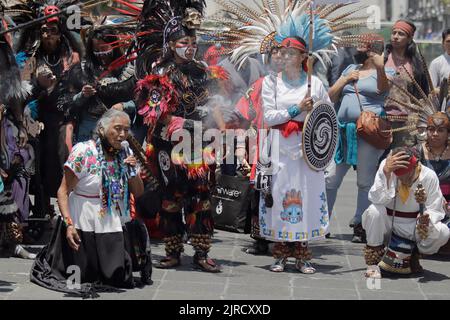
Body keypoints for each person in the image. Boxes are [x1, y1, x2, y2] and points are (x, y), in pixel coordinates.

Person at [134, 0, 222, 272]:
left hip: (198, 144)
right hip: (168, 145)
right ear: (171, 44)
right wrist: (176, 121)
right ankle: (173, 251)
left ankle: (201, 251)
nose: (190, 46)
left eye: (193, 42)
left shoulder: (203, 71)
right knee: (171, 196)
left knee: (201, 197)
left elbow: (216, 104)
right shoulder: (160, 72)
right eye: (184, 41)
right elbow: (151, 111)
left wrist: (221, 130)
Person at [30, 109, 150, 297]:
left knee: (117, 277)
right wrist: (69, 225)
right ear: (102, 129)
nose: (122, 134)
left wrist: (132, 170)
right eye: (117, 128)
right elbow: (62, 191)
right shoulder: (84, 151)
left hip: (110, 217)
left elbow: (139, 191)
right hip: (82, 218)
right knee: (79, 276)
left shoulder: (125, 150)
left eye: (126, 130)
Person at [326, 41, 394, 243]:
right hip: (343, 131)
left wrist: (380, 66)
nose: (358, 49)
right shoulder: (350, 68)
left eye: (363, 47)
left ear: (373, 51)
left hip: (367, 132)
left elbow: (383, 89)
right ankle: (321, 222)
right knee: (330, 179)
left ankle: (360, 224)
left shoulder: (385, 72)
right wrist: (345, 79)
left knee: (364, 181)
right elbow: (331, 95)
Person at [362, 147, 450, 279]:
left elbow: (435, 208)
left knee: (443, 232)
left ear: (416, 165)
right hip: (389, 224)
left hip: (414, 225)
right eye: (398, 173)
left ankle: (414, 255)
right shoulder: (386, 167)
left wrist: (426, 218)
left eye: (406, 172)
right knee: (374, 211)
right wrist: (386, 174)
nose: (402, 177)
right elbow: (376, 199)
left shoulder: (428, 176)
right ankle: (373, 263)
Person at [0, 6, 36, 259]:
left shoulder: (3, 52)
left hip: (3, 126)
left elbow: (13, 92)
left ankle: (12, 240)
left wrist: (22, 124)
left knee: (13, 171)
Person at [69, 22, 136, 143]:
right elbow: (71, 102)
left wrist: (123, 106)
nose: (101, 54)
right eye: (96, 50)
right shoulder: (83, 70)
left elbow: (139, 102)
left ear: (114, 46)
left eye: (104, 49)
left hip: (117, 130)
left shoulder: (128, 69)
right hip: (88, 130)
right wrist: (83, 95)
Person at [383, 19, 430, 148]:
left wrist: (419, 121)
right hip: (382, 119)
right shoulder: (382, 59)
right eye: (394, 33)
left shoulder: (416, 65)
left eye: (401, 34)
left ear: (409, 39)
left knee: (404, 162)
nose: (396, 37)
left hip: (407, 123)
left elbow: (424, 95)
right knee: (379, 163)